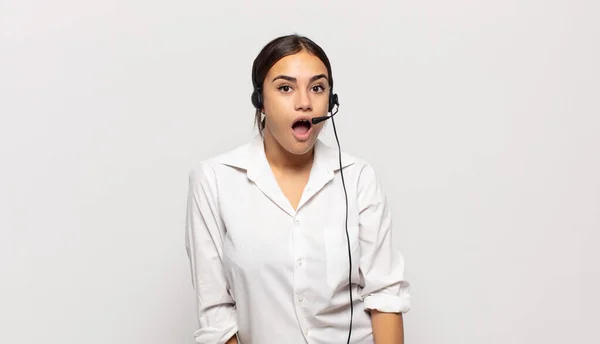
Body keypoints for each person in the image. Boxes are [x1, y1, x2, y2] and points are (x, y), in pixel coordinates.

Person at [184, 34, 411, 344]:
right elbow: (216, 315)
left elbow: (384, 296)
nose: (304, 102)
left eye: (317, 88)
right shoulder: (213, 179)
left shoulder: (359, 177)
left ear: (331, 101)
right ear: (260, 99)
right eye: (285, 88)